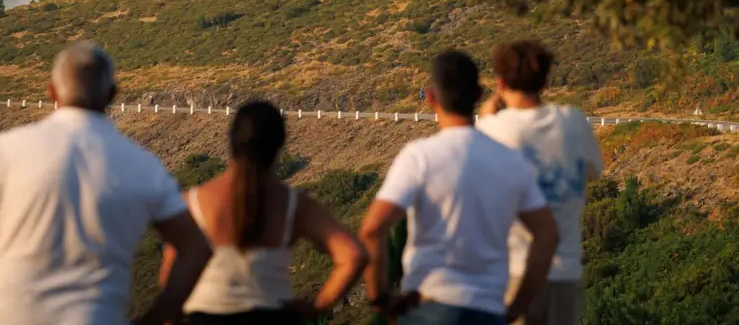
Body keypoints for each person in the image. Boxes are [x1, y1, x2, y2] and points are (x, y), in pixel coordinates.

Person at [0, 40, 212, 325]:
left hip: (2, 315)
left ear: (52, 92)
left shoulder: (10, 147)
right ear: (112, 94)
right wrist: (156, 318)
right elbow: (195, 249)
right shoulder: (143, 165)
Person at [359, 49, 559, 325]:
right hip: (487, 309)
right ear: (478, 95)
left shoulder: (420, 157)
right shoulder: (511, 161)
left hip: (428, 305)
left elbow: (372, 229)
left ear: (431, 97)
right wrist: (517, 305)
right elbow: (547, 234)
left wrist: (381, 299)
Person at [160, 100, 367, 324]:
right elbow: (353, 255)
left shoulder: (193, 202)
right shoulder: (293, 204)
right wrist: (317, 306)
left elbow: (170, 281)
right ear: (280, 145)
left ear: (231, 139)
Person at [476, 40, 604, 325]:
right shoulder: (574, 122)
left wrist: (486, 117)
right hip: (566, 275)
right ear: (545, 81)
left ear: (500, 83)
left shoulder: (491, 129)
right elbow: (593, 172)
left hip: (512, 274)